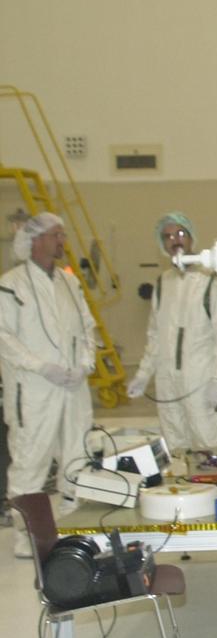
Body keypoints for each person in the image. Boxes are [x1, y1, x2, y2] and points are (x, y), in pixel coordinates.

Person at [0, 213, 97, 557]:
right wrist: (41, 366)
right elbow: (4, 336)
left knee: (76, 454)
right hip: (34, 388)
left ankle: (73, 522)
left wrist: (85, 363)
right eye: (56, 235)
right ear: (35, 240)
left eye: (62, 234)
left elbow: (87, 326)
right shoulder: (11, 284)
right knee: (31, 459)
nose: (62, 241)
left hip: (72, 386)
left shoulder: (69, 282)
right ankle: (26, 535)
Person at [127, 213, 217, 452]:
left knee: (209, 446)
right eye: (168, 236)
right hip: (167, 383)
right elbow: (155, 337)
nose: (175, 240)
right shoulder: (163, 284)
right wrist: (143, 374)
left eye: (180, 234)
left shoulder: (211, 281)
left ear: (192, 238)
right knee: (175, 446)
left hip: (201, 382)